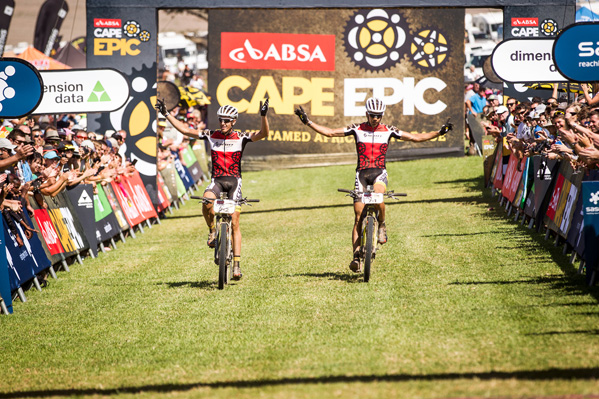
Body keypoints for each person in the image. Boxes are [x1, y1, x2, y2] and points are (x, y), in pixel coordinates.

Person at [294, 97, 452, 272]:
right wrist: (308, 122)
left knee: (378, 198)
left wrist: (439, 132)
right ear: (367, 114)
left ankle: (382, 225)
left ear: (382, 115)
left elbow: (415, 137)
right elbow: (330, 132)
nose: (375, 118)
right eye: (372, 115)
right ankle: (356, 257)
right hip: (361, 174)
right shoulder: (357, 129)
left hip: (379, 174)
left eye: (378, 115)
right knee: (357, 217)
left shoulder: (388, 130)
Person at [156, 98, 270, 280]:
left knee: (234, 222)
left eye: (226, 120)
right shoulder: (211, 134)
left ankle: (237, 265)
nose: (223, 123)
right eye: (220, 120)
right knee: (207, 199)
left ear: (233, 122)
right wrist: (166, 114)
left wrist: (263, 115)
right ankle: (212, 230)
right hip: (217, 180)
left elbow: (263, 133)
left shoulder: (241, 137)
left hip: (234, 181)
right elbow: (185, 130)